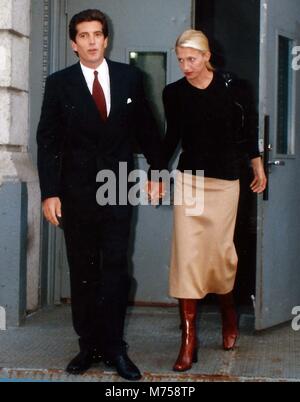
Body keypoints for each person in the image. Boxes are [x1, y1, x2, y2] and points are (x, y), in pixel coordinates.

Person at [36, 9, 165, 381]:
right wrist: (50, 192)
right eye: (84, 35)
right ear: (73, 43)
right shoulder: (59, 84)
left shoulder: (130, 78)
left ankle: (115, 348)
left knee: (115, 268)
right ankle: (88, 346)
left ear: (106, 39)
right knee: (83, 269)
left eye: (98, 34)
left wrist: (156, 173)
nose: (92, 41)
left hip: (118, 186)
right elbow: (48, 142)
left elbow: (148, 129)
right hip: (74, 193)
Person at [162, 30, 267, 372]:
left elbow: (247, 129)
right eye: (180, 60)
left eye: (191, 59)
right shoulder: (174, 93)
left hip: (225, 183)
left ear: (207, 56)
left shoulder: (234, 87)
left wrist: (256, 164)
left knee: (220, 256)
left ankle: (228, 312)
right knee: (187, 257)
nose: (185, 66)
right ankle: (189, 339)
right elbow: (171, 137)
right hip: (190, 181)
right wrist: (153, 172)